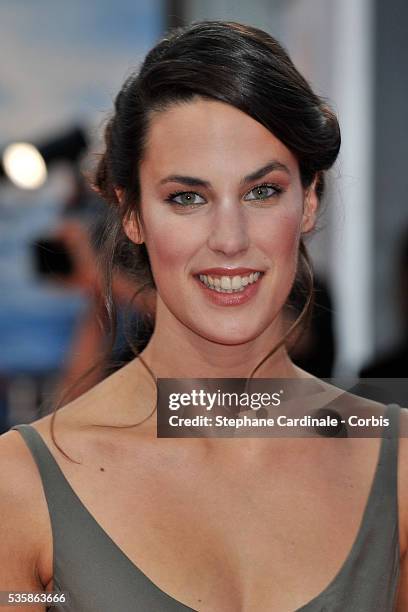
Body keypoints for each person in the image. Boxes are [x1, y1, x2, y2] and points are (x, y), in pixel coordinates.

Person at [0, 21, 407, 612]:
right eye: (186, 197)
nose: (229, 239)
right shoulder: (19, 485)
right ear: (133, 214)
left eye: (262, 191)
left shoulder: (395, 466)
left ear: (310, 199)